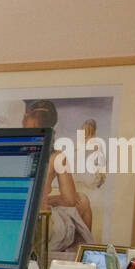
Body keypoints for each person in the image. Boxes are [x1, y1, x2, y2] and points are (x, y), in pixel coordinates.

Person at [23, 100, 94, 255]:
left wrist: (44, 200)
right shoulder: (56, 157)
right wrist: (48, 200)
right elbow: (69, 200)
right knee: (83, 200)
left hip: (17, 224)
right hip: (42, 227)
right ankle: (83, 255)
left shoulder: (12, 151)